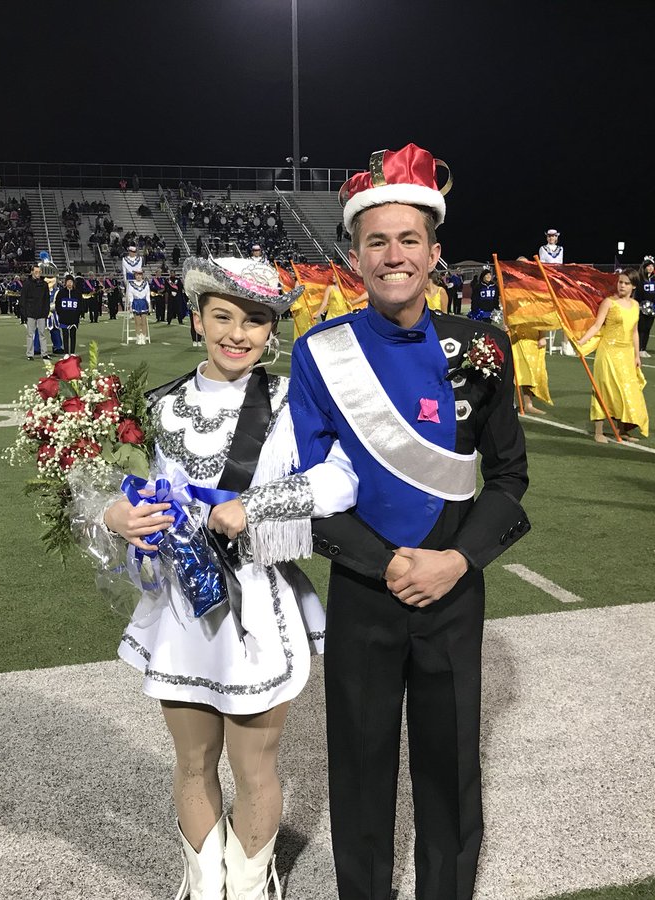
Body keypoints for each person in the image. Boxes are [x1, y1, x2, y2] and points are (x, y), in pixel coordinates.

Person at [289, 143, 529, 900]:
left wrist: (455, 562)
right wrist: (387, 563)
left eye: (409, 239)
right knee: (359, 772)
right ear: (355, 256)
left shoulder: (483, 347)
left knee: (451, 768)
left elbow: (510, 478)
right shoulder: (318, 353)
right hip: (365, 591)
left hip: (455, 594)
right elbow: (306, 486)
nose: (394, 255)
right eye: (377, 241)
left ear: (435, 252)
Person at [103, 256, 356, 900]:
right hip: (182, 608)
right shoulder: (156, 406)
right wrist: (115, 512)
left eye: (255, 321)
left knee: (255, 765)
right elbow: (123, 488)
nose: (237, 334)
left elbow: (340, 479)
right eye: (223, 317)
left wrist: (256, 505)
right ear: (197, 320)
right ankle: (201, 880)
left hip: (258, 608)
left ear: (272, 332)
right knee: (191, 762)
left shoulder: (291, 405)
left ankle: (249, 883)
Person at [576, 268, 649, 442]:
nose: (622, 286)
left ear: (633, 286)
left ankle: (623, 429)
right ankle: (599, 431)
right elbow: (596, 326)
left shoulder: (636, 305)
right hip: (608, 353)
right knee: (605, 390)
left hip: (626, 354)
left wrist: (637, 355)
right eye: (620, 282)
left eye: (626, 283)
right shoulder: (609, 302)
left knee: (627, 391)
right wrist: (580, 342)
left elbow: (634, 332)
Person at [20, 264, 53, 360]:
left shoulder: (44, 284)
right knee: (30, 334)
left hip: (42, 313)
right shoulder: (27, 283)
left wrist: (46, 311)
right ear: (32, 272)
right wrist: (24, 313)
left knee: (42, 334)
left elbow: (46, 299)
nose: (38, 274)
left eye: (39, 272)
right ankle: (30, 354)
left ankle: (44, 353)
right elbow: (23, 299)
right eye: (36, 272)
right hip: (30, 313)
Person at [637, 256, 655, 357]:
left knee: (648, 328)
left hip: (652, 308)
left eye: (652, 266)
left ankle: (643, 349)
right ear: (644, 267)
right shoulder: (640, 279)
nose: (650, 268)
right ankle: (639, 349)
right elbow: (637, 294)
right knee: (641, 328)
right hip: (641, 308)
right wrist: (639, 305)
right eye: (648, 266)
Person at [52, 274, 82, 356]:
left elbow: (80, 305)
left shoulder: (77, 293)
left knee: (73, 335)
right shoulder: (61, 293)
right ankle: (66, 352)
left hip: (74, 318)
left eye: (71, 282)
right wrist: (60, 314)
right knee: (65, 335)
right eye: (68, 282)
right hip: (64, 318)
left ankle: (72, 352)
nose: (69, 283)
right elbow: (57, 304)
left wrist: (78, 314)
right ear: (65, 283)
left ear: (73, 283)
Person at [127, 268, 152, 345]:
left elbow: (148, 294)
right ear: (135, 275)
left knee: (144, 322)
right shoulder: (131, 284)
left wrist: (149, 305)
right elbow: (130, 295)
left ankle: (143, 337)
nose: (138, 276)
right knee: (137, 322)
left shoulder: (146, 283)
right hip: (135, 302)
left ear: (142, 275)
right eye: (137, 275)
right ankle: (138, 338)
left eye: (140, 275)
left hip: (143, 303)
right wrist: (130, 305)